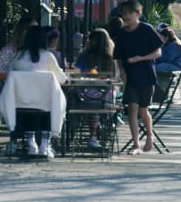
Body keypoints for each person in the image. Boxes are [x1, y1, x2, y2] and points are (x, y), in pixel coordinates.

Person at [112, 0, 162, 155]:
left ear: (138, 13)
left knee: (143, 110)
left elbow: (158, 52)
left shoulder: (146, 29)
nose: (125, 17)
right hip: (130, 77)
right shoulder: (122, 34)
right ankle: (135, 145)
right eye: (123, 14)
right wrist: (121, 72)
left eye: (128, 13)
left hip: (146, 75)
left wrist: (140, 58)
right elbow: (118, 57)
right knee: (132, 109)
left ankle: (149, 135)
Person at [11, 25, 69, 157]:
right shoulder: (47, 56)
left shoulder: (18, 56)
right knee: (52, 106)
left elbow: (12, 75)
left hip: (22, 101)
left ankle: (31, 144)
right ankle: (44, 145)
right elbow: (61, 78)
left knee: (30, 110)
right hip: (45, 103)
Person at [75, 27, 117, 148]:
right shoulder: (110, 59)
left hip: (85, 96)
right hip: (106, 99)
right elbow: (114, 78)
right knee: (97, 104)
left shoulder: (84, 57)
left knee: (87, 101)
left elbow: (77, 74)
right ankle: (97, 129)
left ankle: (91, 131)